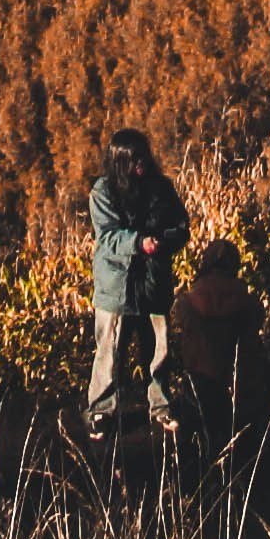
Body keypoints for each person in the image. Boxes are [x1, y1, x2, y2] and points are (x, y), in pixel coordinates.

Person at [85, 128, 188, 442]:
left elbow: (182, 228)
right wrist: (140, 243)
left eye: (143, 156)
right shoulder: (103, 191)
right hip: (116, 286)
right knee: (110, 352)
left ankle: (160, 406)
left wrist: (162, 243)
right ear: (120, 162)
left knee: (158, 350)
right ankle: (100, 411)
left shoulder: (161, 189)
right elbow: (107, 236)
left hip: (152, 283)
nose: (141, 163)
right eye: (133, 159)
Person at [169, 236, 270, 454]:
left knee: (193, 456)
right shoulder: (248, 303)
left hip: (197, 390)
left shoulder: (187, 303)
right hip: (238, 393)